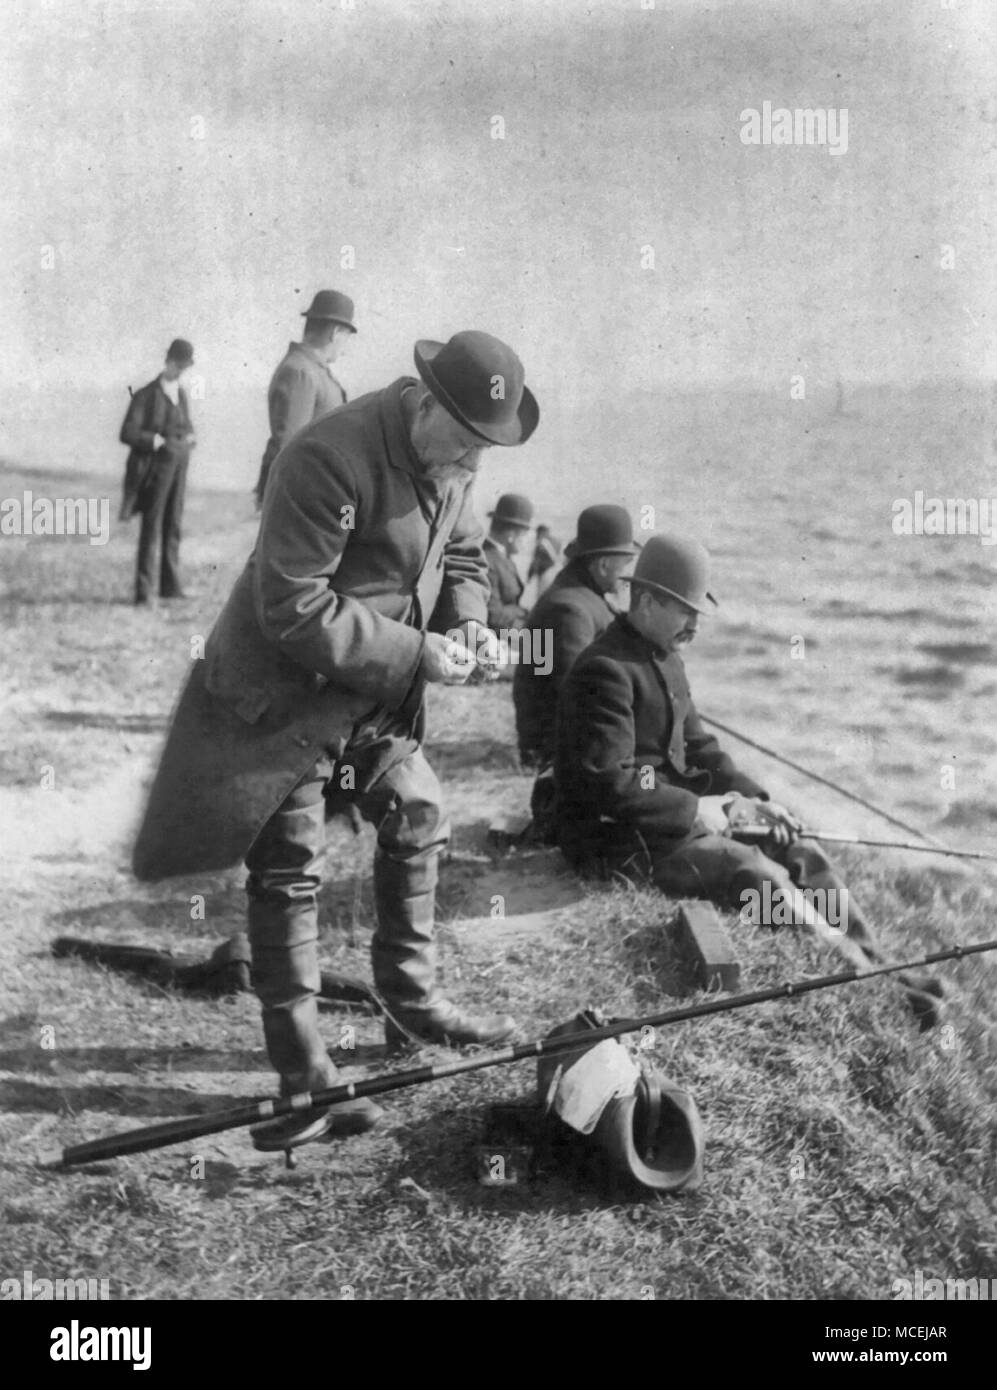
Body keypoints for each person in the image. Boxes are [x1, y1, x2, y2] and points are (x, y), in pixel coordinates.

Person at [132, 330, 540, 1146]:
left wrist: (467, 626)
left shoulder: (452, 460)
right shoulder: (327, 457)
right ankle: (303, 1083)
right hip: (277, 701)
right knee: (289, 872)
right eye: (462, 445)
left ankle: (411, 1005)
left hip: (366, 695)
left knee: (419, 814)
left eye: (482, 453)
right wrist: (421, 654)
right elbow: (292, 608)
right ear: (424, 404)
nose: (469, 467)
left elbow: (461, 555)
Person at [554, 533, 942, 1025]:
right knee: (759, 875)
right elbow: (611, 783)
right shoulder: (605, 670)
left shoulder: (664, 656)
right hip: (617, 839)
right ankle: (873, 988)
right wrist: (700, 809)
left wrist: (756, 801)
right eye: (685, 611)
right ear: (647, 601)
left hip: (668, 820)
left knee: (803, 853)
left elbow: (699, 749)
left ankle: (881, 965)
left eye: (698, 613)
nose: (694, 624)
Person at [514, 505, 639, 838]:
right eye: (624, 562)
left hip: (549, 737)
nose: (628, 572)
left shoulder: (576, 596)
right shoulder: (570, 609)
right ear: (601, 564)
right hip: (548, 750)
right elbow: (579, 698)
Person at [254, 289, 356, 508]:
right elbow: (289, 448)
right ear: (335, 332)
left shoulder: (312, 370)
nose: (345, 349)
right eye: (346, 338)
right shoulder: (301, 372)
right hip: (300, 499)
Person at [119, 338, 197, 605]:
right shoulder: (145, 395)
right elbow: (127, 432)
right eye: (178, 365)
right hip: (155, 470)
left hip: (179, 467)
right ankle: (144, 594)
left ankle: (170, 587)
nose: (181, 371)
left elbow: (186, 425)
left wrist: (191, 437)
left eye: (185, 367)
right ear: (168, 361)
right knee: (151, 528)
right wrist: (154, 441)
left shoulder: (182, 394)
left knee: (173, 524)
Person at [483, 493, 534, 630]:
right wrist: (522, 612)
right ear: (511, 534)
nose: (527, 541)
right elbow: (493, 615)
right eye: (524, 535)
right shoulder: (487, 559)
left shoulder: (503, 556)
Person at [527, 523, 562, 600]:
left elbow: (535, 562)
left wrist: (529, 576)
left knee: (542, 599)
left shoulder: (541, 545)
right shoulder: (556, 542)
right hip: (556, 573)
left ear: (541, 533)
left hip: (545, 575)